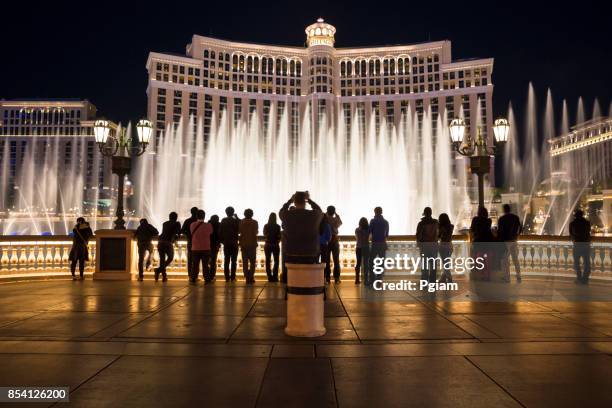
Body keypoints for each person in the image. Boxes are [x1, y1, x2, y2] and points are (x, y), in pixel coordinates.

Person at [279, 191, 324, 265]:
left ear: (294, 202)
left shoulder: (287, 215)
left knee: (291, 275)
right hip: (311, 253)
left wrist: (290, 201)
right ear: (305, 202)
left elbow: (282, 211)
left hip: (291, 252)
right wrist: (309, 200)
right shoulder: (313, 215)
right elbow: (319, 211)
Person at [498, 204, 523, 283]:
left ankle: (507, 277)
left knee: (505, 260)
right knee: (515, 259)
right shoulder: (515, 217)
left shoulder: (501, 219)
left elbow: (500, 231)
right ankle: (518, 275)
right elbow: (521, 227)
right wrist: (517, 235)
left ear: (504, 210)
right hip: (514, 240)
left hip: (506, 242)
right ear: (510, 209)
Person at [470, 206, 494, 280]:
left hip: (478, 242)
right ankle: (487, 276)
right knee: (487, 260)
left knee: (479, 260)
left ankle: (481, 275)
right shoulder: (489, 220)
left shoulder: (475, 219)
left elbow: (472, 229)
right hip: (487, 243)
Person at [416, 207, 439, 283]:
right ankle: (432, 281)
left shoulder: (421, 223)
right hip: (434, 246)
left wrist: (419, 243)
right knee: (433, 265)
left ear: (424, 213)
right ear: (431, 213)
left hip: (424, 246)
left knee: (425, 265)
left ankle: (424, 281)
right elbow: (439, 234)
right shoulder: (436, 222)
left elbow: (418, 235)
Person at [155, 212, 180, 281]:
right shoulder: (177, 223)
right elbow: (177, 233)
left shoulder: (165, 223)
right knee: (170, 257)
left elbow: (164, 232)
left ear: (169, 217)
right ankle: (158, 271)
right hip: (168, 243)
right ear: (176, 218)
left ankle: (163, 276)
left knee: (162, 260)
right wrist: (176, 238)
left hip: (160, 242)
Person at [190, 209, 213, 284]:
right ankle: (207, 279)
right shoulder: (208, 225)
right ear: (204, 216)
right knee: (205, 265)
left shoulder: (192, 225)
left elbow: (191, 233)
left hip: (195, 248)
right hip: (206, 248)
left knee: (195, 265)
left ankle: (193, 278)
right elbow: (211, 232)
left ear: (197, 216)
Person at [569, 209, 591, 284]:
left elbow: (571, 234)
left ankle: (579, 278)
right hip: (586, 244)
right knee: (587, 262)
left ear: (575, 216)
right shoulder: (587, 223)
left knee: (576, 262)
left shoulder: (572, 223)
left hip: (577, 244)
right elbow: (588, 231)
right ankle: (585, 279)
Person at [369, 207, 389, 284]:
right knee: (381, 262)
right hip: (382, 244)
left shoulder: (373, 221)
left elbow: (369, 231)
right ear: (381, 212)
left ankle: (372, 278)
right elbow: (386, 235)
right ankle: (379, 278)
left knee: (372, 261)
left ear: (375, 212)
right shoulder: (386, 222)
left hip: (375, 244)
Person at [219, 206, 240, 282]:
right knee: (234, 261)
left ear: (226, 212)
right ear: (233, 212)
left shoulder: (223, 220)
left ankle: (227, 277)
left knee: (226, 260)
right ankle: (233, 277)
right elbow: (240, 229)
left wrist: (223, 241)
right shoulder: (235, 221)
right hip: (234, 243)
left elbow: (220, 232)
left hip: (227, 243)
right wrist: (237, 217)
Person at [239, 209, 259, 284]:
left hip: (243, 244)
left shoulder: (241, 222)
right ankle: (251, 276)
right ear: (252, 214)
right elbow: (256, 232)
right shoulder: (255, 222)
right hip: (252, 244)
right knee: (252, 262)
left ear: (244, 214)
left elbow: (239, 231)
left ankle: (247, 276)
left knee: (245, 262)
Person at [325, 206, 343, 283]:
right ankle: (337, 278)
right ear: (334, 212)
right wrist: (337, 215)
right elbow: (340, 223)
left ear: (327, 211)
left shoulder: (325, 219)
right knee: (336, 260)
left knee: (327, 260)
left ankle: (327, 278)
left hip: (326, 241)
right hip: (335, 240)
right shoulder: (336, 219)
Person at [181, 207, 199, 279]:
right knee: (197, 259)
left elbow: (182, 230)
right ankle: (195, 275)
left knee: (190, 259)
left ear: (191, 212)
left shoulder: (187, 221)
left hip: (190, 241)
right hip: (198, 242)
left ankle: (190, 275)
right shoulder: (199, 221)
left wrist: (188, 234)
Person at [263, 212, 281, 282]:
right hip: (275, 245)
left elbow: (265, 234)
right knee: (276, 261)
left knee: (268, 261)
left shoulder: (266, 226)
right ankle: (275, 276)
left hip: (267, 245)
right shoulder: (277, 226)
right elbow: (279, 236)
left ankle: (269, 276)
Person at [438, 213, 454, 283]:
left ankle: (449, 278)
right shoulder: (451, 226)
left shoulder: (441, 227)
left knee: (445, 263)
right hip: (450, 245)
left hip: (443, 246)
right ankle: (443, 278)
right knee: (446, 262)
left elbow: (438, 237)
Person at [355, 217, 370, 285]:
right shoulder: (368, 230)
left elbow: (357, 238)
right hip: (366, 248)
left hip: (359, 248)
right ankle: (366, 280)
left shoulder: (357, 230)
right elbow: (370, 237)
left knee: (358, 264)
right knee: (366, 264)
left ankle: (357, 279)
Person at [319, 216, 332, 283]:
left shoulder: (316, 224)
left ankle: (318, 277)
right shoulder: (327, 226)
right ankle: (327, 278)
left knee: (316, 262)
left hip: (316, 246)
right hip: (324, 245)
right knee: (325, 262)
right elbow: (329, 237)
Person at [208, 215, 221, 281]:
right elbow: (220, 235)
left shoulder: (207, 225)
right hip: (215, 245)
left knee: (207, 261)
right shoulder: (219, 225)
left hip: (207, 245)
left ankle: (207, 275)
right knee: (213, 261)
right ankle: (212, 276)